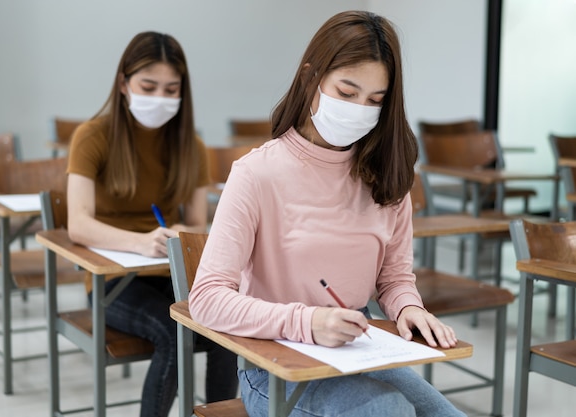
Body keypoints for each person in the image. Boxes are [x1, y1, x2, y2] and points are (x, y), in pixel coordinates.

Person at [189, 11, 466, 417]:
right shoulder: (257, 173)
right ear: (310, 79)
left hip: (358, 348)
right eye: (347, 92)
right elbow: (208, 299)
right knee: (387, 412)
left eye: (375, 100)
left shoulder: (387, 174)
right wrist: (308, 322)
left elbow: (393, 279)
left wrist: (410, 308)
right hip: (275, 364)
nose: (360, 110)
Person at [66, 31, 237, 417]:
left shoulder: (191, 145)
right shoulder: (92, 136)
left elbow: (195, 223)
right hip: (112, 281)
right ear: (124, 83)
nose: (159, 98)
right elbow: (78, 224)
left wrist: (181, 233)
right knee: (174, 334)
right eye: (148, 86)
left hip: (169, 272)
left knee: (227, 324)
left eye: (171, 89)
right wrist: (141, 242)